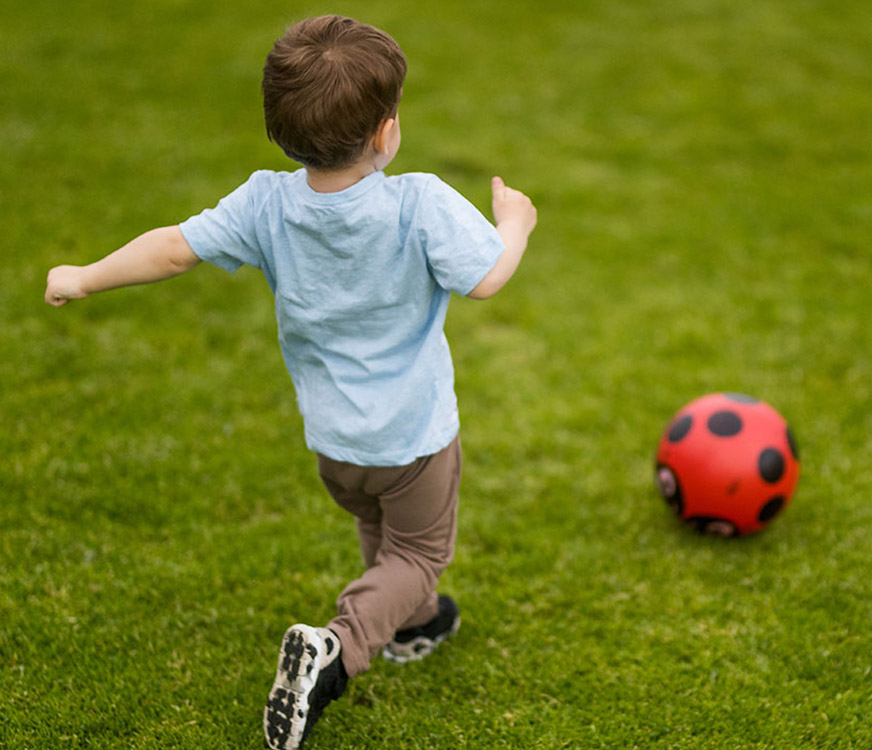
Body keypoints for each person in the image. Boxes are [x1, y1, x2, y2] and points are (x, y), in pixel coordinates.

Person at [44, 14, 537, 750]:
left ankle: (416, 619)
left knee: (383, 535)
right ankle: (340, 645)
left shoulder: (266, 203)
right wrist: (515, 223)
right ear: (385, 133)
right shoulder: (418, 202)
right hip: (413, 436)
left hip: (334, 444)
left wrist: (84, 276)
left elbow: (176, 250)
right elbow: (488, 279)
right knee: (419, 553)